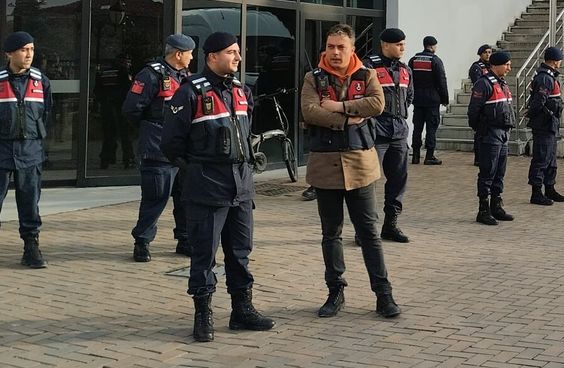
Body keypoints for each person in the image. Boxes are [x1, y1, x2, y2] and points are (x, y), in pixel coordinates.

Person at [161, 31, 274, 342]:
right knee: (204, 255)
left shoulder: (241, 91)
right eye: (231, 52)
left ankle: (242, 310)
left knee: (240, 253)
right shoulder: (190, 93)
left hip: (241, 186)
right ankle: (203, 314)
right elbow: (171, 144)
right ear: (212, 56)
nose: (238, 57)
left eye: (238, 52)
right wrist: (197, 171)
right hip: (207, 188)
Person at [300, 23, 400, 319]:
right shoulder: (313, 78)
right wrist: (346, 120)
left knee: (369, 233)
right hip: (325, 166)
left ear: (352, 49)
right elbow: (310, 111)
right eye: (330, 46)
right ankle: (335, 292)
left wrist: (338, 106)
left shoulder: (367, 74)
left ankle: (383, 294)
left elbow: (377, 104)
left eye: (340, 47)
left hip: (360, 166)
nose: (334, 52)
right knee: (331, 234)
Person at [0, 31, 54, 272]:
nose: (29, 55)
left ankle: (31, 249)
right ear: (9, 53)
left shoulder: (41, 81)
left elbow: (47, 114)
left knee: (30, 204)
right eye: (23, 50)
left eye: (31, 49)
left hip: (30, 152)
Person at [123, 34, 195, 262]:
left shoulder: (186, 77)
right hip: (157, 150)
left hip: (182, 151)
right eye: (190, 53)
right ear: (179, 54)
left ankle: (185, 239)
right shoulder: (150, 75)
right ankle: (142, 242)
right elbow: (131, 109)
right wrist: (152, 129)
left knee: (185, 198)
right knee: (155, 198)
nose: (192, 58)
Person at [365, 28, 412, 243]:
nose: (402, 48)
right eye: (398, 44)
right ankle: (365, 228)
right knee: (369, 181)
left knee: (398, 180)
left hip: (398, 132)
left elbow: (409, 97)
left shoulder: (405, 69)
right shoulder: (369, 66)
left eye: (403, 44)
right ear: (385, 45)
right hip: (376, 132)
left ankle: (390, 225)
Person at [469, 51, 516, 225]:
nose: (509, 68)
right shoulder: (483, 83)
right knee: (487, 172)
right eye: (507, 65)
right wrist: (481, 129)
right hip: (490, 133)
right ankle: (483, 210)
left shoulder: (502, 83)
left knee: (499, 172)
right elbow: (473, 111)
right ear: (496, 65)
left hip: (503, 134)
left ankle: (496, 206)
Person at [525, 46, 564, 206]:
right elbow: (539, 102)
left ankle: (550, 187)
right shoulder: (545, 78)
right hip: (544, 123)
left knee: (551, 158)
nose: (560, 63)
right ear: (555, 61)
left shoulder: (549, 75)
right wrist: (535, 114)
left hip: (550, 123)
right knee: (542, 158)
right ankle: (536, 192)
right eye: (559, 60)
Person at [409, 36, 449, 166]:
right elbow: (442, 81)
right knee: (431, 128)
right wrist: (445, 99)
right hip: (432, 100)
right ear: (432, 46)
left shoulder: (413, 60)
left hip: (417, 100)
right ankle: (429, 156)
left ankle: (415, 156)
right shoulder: (435, 60)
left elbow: (409, 80)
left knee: (417, 128)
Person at [468, 44, 493, 166]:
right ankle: (478, 158)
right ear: (480, 54)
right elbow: (478, 83)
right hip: (480, 100)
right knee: (479, 132)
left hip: (490, 101)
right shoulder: (476, 67)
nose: (488, 55)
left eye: (489, 52)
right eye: (485, 52)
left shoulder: (492, 66)